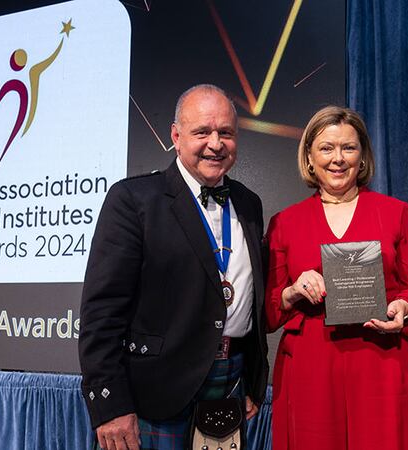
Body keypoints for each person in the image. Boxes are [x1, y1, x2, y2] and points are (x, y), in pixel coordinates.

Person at [78, 84, 268, 450]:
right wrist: (110, 405)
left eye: (225, 133)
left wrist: (254, 380)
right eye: (202, 132)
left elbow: (252, 299)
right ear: (176, 137)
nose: (215, 143)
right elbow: (101, 314)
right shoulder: (132, 200)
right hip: (155, 393)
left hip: (228, 384)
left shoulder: (249, 203)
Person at [265, 106, 408, 450]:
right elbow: (268, 311)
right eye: (326, 148)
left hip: (383, 364)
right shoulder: (285, 223)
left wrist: (404, 307)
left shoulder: (396, 214)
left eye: (348, 148)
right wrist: (293, 291)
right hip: (311, 368)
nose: (338, 159)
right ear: (309, 157)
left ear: (363, 155)